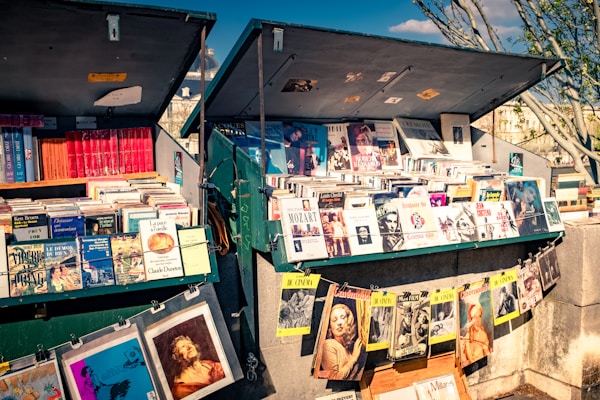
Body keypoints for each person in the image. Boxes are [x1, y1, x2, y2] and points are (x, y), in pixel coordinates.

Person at [170, 335, 225, 399]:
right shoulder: (181, 388)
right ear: (177, 356)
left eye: (189, 344)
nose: (189, 347)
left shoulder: (212, 365)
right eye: (183, 346)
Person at [320, 303, 366, 380]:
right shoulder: (328, 345)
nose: (339, 323)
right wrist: (354, 358)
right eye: (334, 320)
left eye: (343, 317)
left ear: (348, 321)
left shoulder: (352, 346)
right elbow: (334, 378)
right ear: (330, 327)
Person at [460, 303, 491, 367]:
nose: (478, 320)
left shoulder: (483, 335)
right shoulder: (465, 335)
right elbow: (464, 356)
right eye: (474, 317)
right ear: (470, 319)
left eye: (479, 316)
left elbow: (487, 355)